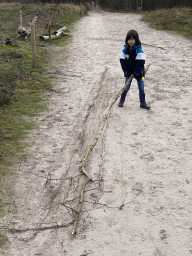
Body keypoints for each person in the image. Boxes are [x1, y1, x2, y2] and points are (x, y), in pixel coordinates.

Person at [118, 29, 150, 109]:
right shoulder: (125, 50)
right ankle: (121, 100)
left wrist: (136, 73)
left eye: (132, 39)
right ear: (126, 40)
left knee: (141, 87)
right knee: (126, 87)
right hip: (129, 72)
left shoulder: (139, 50)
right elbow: (122, 62)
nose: (131, 41)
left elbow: (140, 63)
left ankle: (143, 103)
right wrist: (127, 72)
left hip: (139, 73)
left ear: (136, 40)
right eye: (129, 39)